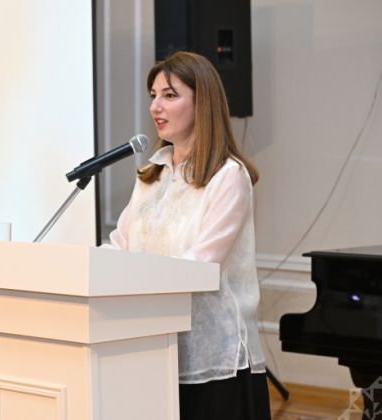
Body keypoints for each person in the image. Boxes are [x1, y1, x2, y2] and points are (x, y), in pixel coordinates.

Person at [106, 51, 270, 419]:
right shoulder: (152, 175)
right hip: (152, 345)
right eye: (153, 95)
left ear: (202, 103)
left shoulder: (228, 176)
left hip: (214, 357)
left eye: (170, 95)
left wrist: (135, 281)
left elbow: (201, 264)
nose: (155, 106)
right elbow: (121, 245)